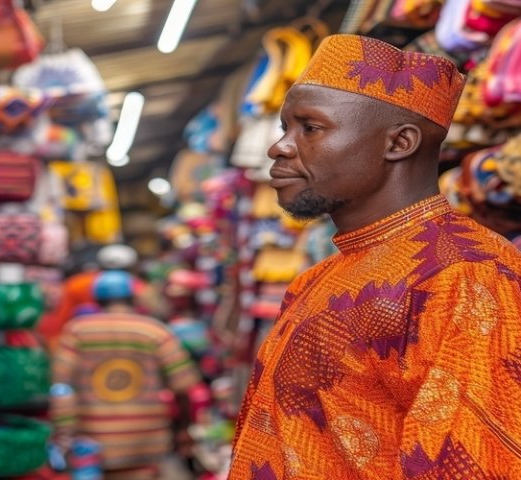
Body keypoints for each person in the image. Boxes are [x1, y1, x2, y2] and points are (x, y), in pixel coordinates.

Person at [228, 34, 521, 479]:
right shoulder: (315, 279)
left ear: (399, 143)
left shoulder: (468, 276)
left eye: (310, 128)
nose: (280, 147)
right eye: (284, 128)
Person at [51, 269, 203, 480]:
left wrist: (63, 432)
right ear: (132, 298)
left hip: (92, 440)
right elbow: (183, 385)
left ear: (97, 300)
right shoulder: (155, 331)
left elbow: (61, 385)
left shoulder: (77, 331)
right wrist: (183, 430)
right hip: (147, 440)